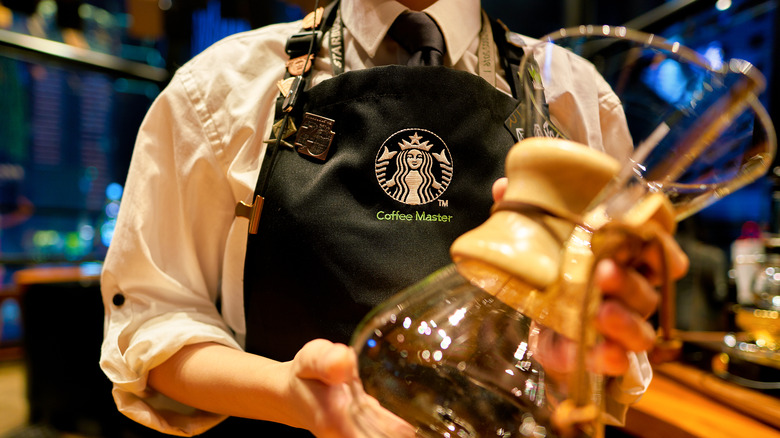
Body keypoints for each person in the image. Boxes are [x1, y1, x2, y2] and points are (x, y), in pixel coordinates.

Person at [99, 0, 689, 436]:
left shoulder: (575, 98)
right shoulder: (220, 88)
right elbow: (156, 319)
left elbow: (606, 349)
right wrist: (291, 395)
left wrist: (587, 350)